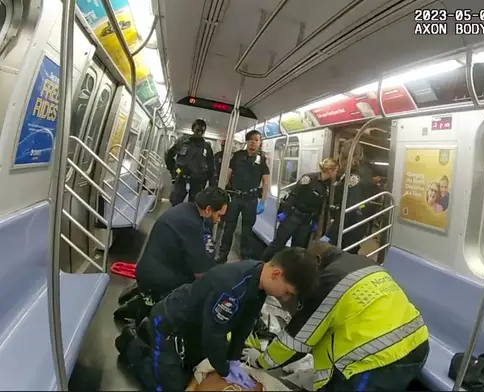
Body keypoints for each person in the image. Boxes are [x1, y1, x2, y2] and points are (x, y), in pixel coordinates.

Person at [116, 248, 320, 392]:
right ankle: (131, 342)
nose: (285, 299)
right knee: (168, 387)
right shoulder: (232, 287)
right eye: (287, 292)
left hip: (196, 325)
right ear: (276, 273)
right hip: (170, 323)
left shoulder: (258, 282)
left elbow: (245, 323)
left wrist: (232, 359)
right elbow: (213, 335)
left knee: (194, 371)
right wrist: (224, 369)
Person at [242, 241, 430, 391]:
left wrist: (260, 361)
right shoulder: (363, 262)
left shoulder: (328, 281)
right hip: (417, 344)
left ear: (317, 260)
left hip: (379, 361)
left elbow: (296, 341)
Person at [114, 187, 230, 324]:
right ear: (209, 210)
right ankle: (146, 305)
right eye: (219, 215)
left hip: (157, 268)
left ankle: (146, 299)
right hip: (157, 276)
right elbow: (201, 271)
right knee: (197, 292)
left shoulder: (189, 210)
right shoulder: (191, 224)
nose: (219, 220)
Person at [261, 158, 339, 262]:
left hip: (306, 221)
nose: (336, 173)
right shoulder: (309, 178)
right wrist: (285, 212)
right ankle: (262, 264)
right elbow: (293, 195)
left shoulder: (326, 186)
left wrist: (315, 222)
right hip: (293, 216)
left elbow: (319, 206)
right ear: (330, 170)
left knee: (297, 250)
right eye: (336, 170)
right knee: (278, 244)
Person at [217, 130, 270, 263]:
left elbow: (266, 181)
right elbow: (228, 174)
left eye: (256, 140)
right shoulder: (238, 156)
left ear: (260, 143)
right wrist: (223, 192)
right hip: (235, 196)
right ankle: (223, 254)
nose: (253, 143)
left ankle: (244, 256)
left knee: (247, 229)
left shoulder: (262, 159)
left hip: (251, 199)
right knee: (229, 227)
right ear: (247, 141)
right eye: (251, 140)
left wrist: (262, 201)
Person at [322, 143, 375, 254]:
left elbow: (349, 209)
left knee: (342, 255)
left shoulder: (355, 176)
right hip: (356, 223)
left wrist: (331, 233)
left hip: (349, 225)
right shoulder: (364, 171)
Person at [166, 119, 215, 206]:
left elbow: (211, 166)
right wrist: (173, 170)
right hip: (181, 176)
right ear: (193, 129)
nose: (199, 133)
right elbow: (168, 155)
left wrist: (210, 183)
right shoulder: (182, 141)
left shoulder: (206, 147)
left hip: (198, 181)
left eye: (202, 131)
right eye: (197, 130)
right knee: (175, 203)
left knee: (194, 206)